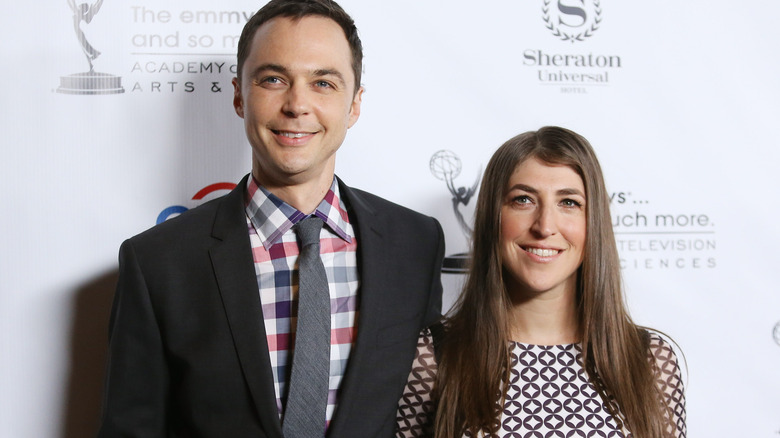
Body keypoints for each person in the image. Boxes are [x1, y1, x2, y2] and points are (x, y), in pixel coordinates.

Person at [97, 1, 444, 437]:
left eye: (323, 82)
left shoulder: (415, 243)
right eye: (274, 79)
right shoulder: (158, 262)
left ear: (354, 105)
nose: (297, 104)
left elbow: (425, 414)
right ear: (240, 95)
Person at [396, 127, 686, 437]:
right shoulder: (432, 357)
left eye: (569, 203)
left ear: (594, 222)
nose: (545, 226)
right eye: (523, 200)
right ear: (494, 216)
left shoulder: (650, 360)